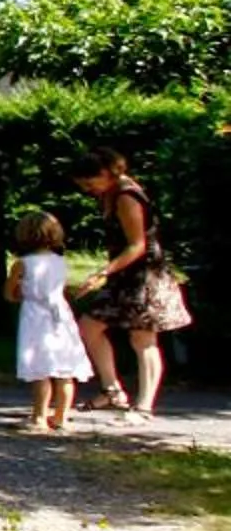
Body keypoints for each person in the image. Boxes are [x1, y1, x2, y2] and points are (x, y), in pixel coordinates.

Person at [70, 146, 193, 417]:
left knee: (143, 338)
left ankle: (144, 406)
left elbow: (137, 245)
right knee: (89, 327)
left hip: (144, 276)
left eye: (90, 183)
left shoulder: (127, 196)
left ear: (106, 172)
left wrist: (103, 273)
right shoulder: (110, 193)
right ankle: (112, 391)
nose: (88, 190)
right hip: (124, 276)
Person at [5, 211, 87, 433]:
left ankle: (39, 418)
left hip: (35, 316)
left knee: (40, 368)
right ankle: (61, 417)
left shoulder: (22, 264)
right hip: (61, 315)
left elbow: (9, 293)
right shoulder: (60, 261)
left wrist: (23, 292)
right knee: (64, 369)